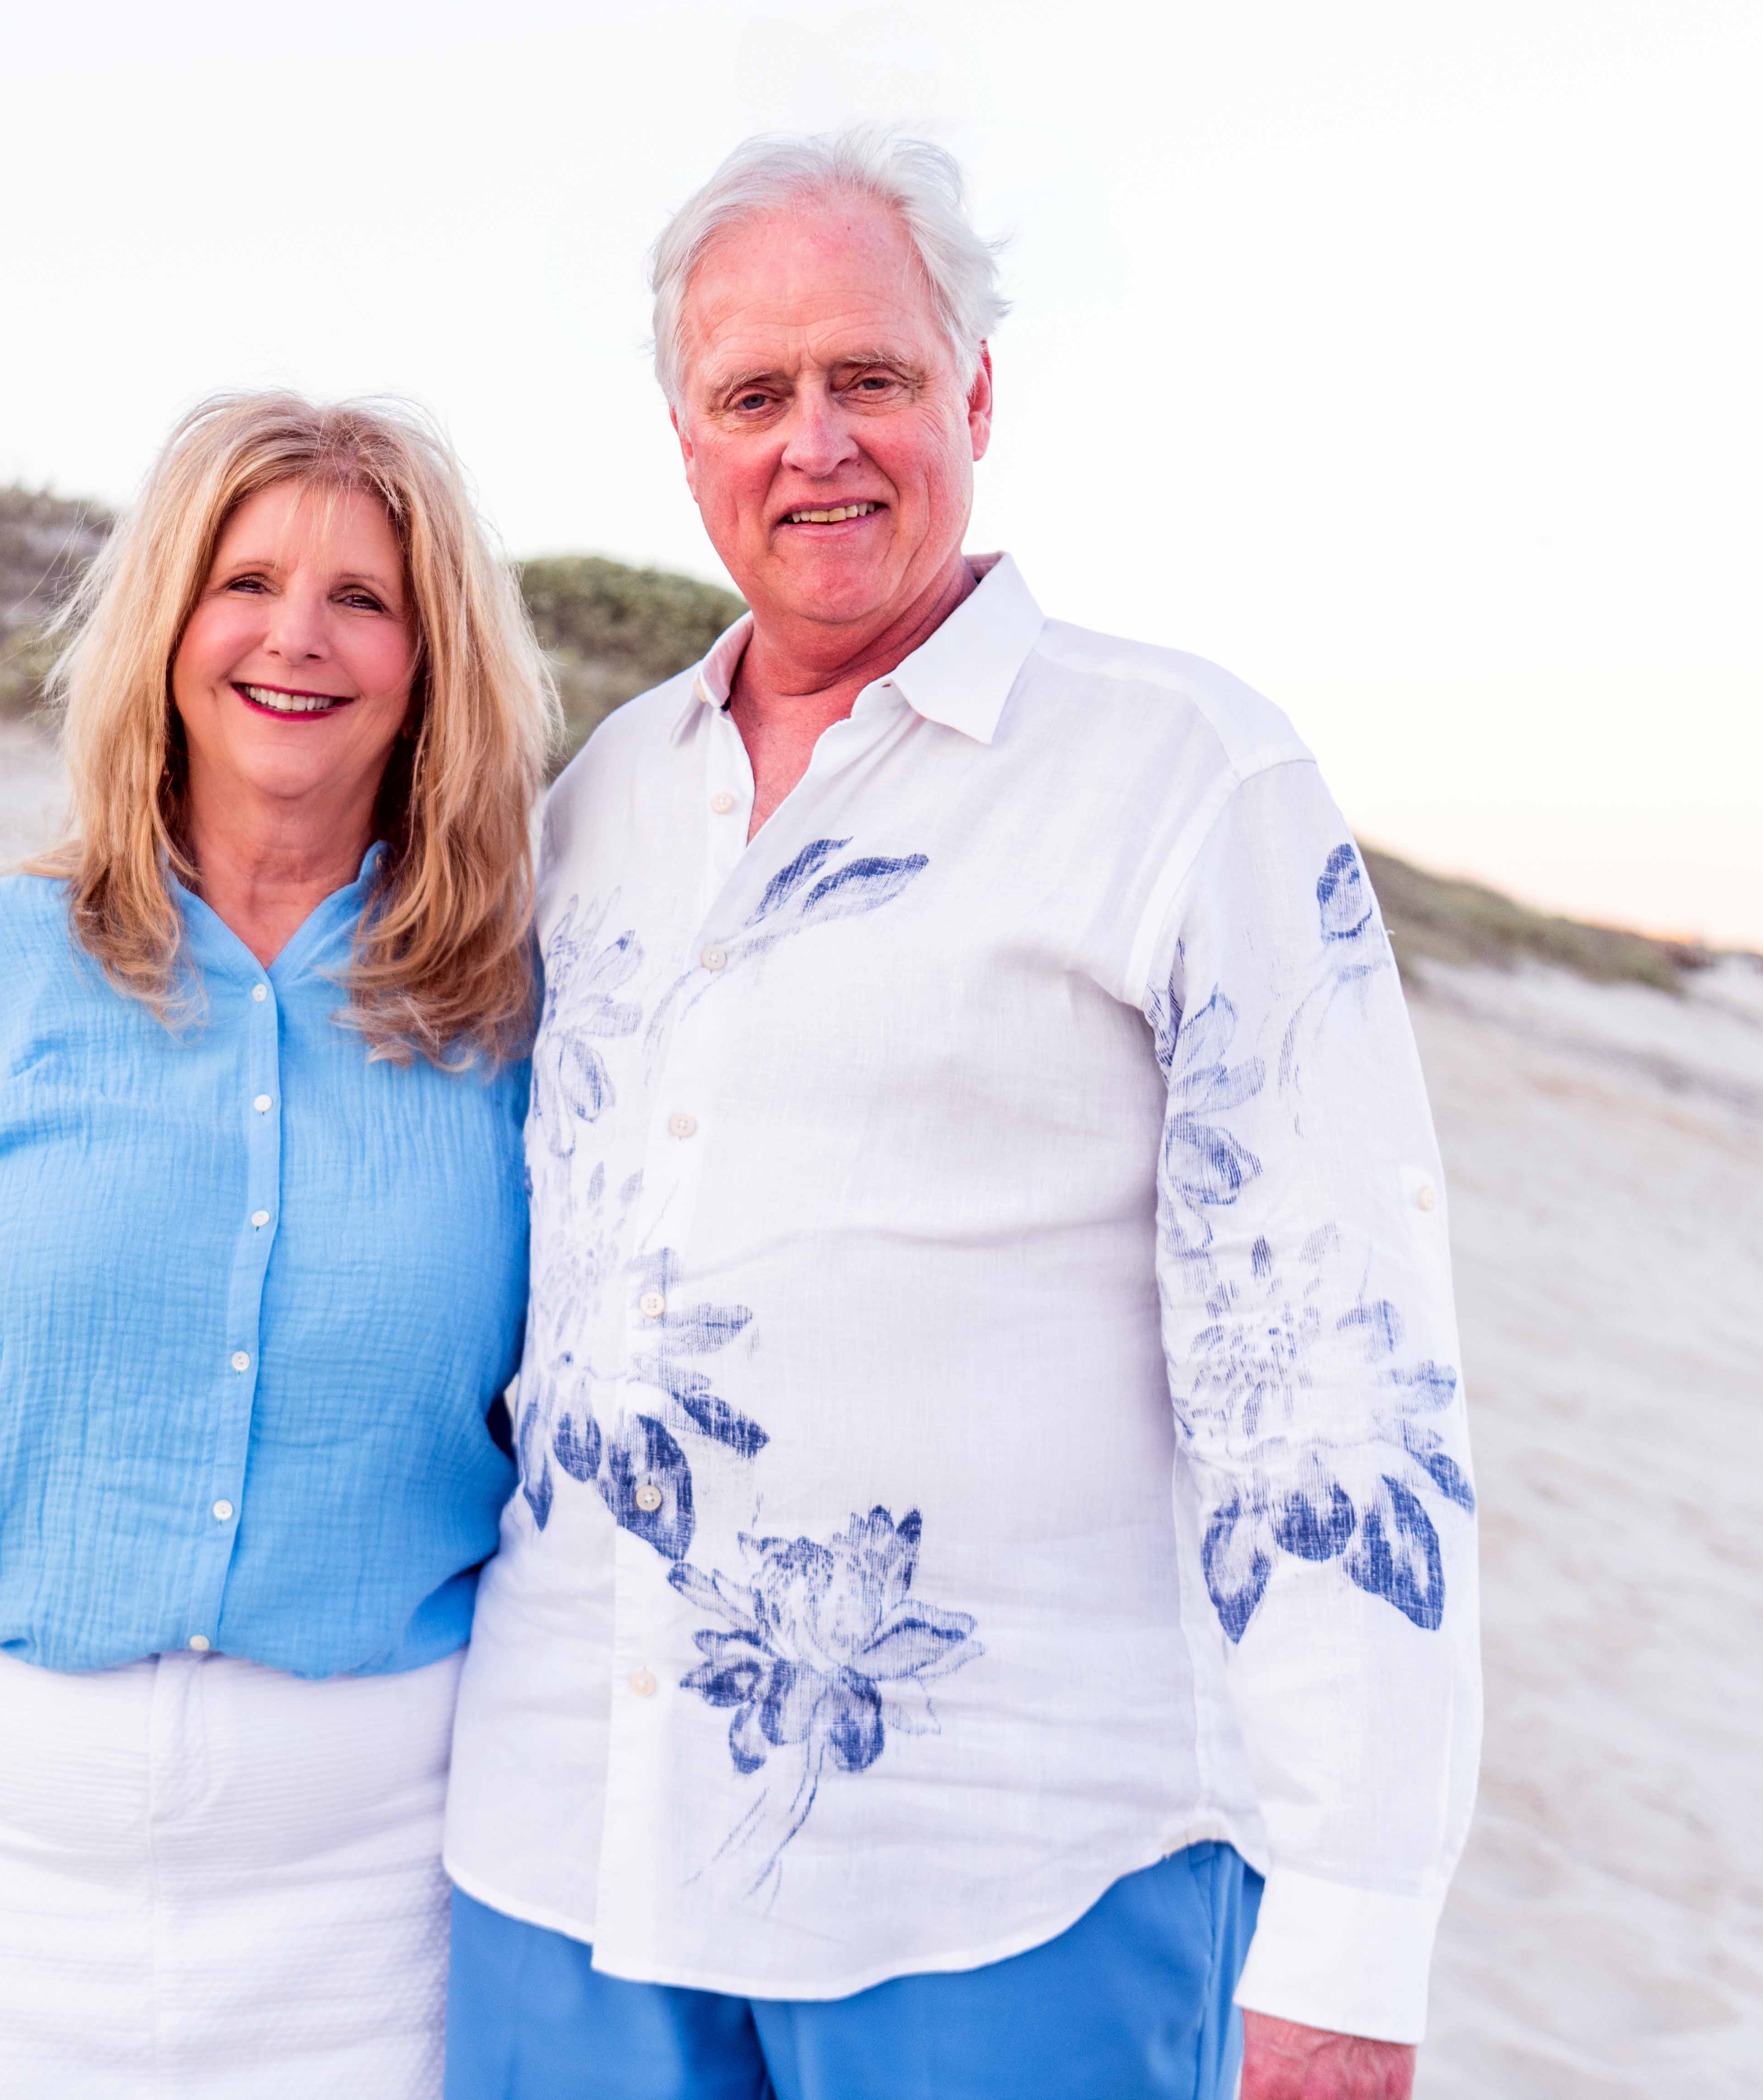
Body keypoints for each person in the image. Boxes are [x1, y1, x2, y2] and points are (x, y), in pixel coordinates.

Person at [442, 129, 1480, 2100]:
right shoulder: (600, 807)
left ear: (974, 397)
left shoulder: (1185, 775)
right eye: (754, 395)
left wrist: (1351, 1918)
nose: (813, 442)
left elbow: (1333, 1374)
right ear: (683, 441)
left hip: (1011, 1882)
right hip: (555, 1849)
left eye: (872, 379)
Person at [0, 392, 555, 2096]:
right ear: (169, 624)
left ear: (428, 661)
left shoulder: (519, 1024)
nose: (296, 640)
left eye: (364, 600)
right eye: (245, 582)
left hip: (373, 1918)